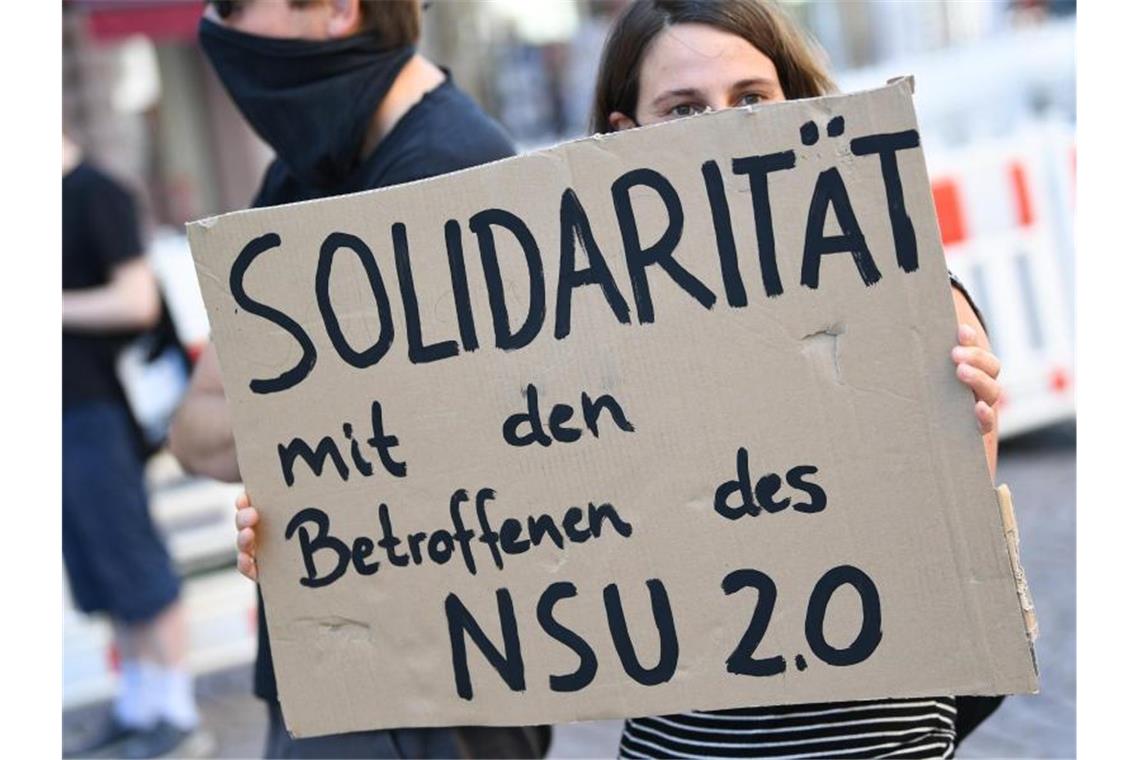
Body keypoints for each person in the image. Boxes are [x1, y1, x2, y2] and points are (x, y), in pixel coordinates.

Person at [589, 1, 1003, 757]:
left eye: (751, 99)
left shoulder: (903, 288)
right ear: (626, 136)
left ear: (793, 103)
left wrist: (970, 430)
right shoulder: (581, 328)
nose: (723, 127)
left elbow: (956, 574)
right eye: (683, 110)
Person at [169, 1, 547, 757]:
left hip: (441, 686)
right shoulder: (298, 175)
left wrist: (288, 411)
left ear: (340, 9)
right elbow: (194, 434)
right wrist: (322, 414)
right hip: (315, 668)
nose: (217, 21)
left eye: (240, 4)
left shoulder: (457, 171)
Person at [62, 134, 209, 759]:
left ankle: (175, 710)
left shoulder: (94, 193)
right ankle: (139, 702)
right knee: (99, 565)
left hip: (96, 408)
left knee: (131, 555)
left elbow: (136, 299)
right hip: (65, 410)